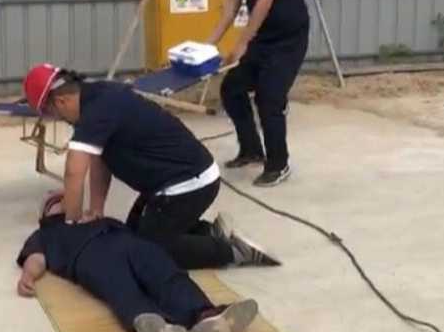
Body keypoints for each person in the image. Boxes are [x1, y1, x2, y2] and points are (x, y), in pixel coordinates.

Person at [22, 64, 279, 270]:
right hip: (173, 182)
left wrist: (70, 224)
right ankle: (210, 232)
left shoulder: (95, 112)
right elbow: (99, 159)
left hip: (186, 185)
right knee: (132, 234)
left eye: (50, 113)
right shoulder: (97, 96)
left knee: (150, 250)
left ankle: (232, 252)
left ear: (61, 101)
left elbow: (74, 172)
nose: (56, 119)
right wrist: (96, 209)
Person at [16, 191, 259, 332]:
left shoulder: (96, 218)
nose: (63, 200)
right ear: (45, 215)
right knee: (121, 289)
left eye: (65, 197)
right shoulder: (45, 234)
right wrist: (28, 276)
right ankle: (157, 326)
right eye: (55, 201)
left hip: (131, 244)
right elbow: (36, 258)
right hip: (90, 257)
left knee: (165, 273)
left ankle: (205, 316)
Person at [207, 0, 311, 187]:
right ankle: (252, 149)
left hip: (288, 40)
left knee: (269, 98)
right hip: (263, 38)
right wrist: (208, 44)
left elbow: (264, 2)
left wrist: (242, 44)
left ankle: (278, 165)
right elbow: (233, 2)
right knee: (232, 89)